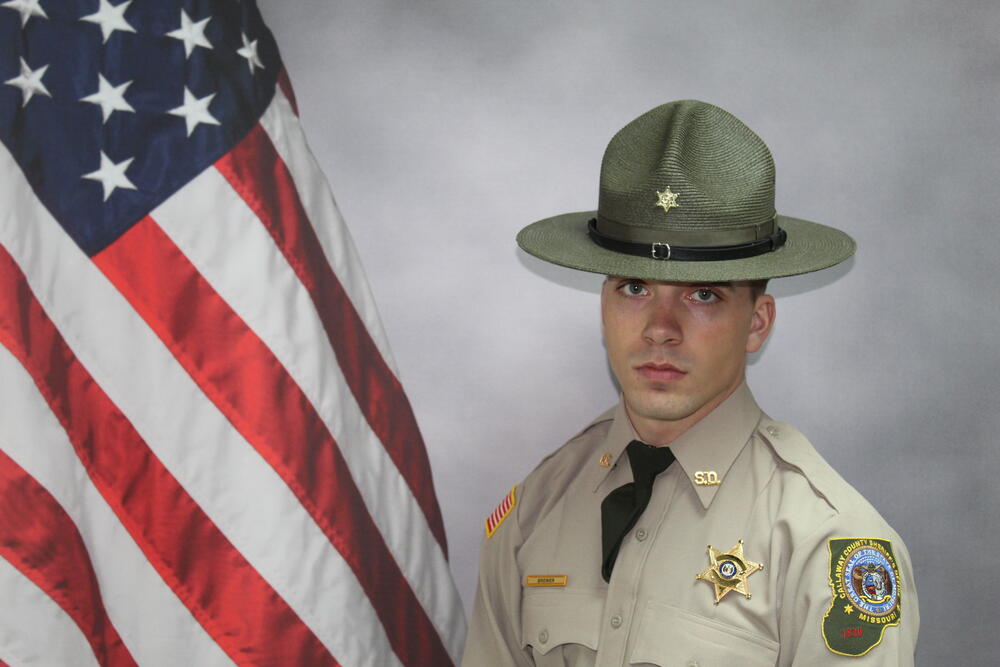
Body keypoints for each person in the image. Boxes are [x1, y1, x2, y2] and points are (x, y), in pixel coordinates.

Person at [461, 100, 918, 666]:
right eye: (633, 287)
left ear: (757, 323)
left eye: (703, 295)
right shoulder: (536, 509)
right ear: (602, 304)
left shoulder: (824, 543)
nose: (660, 329)